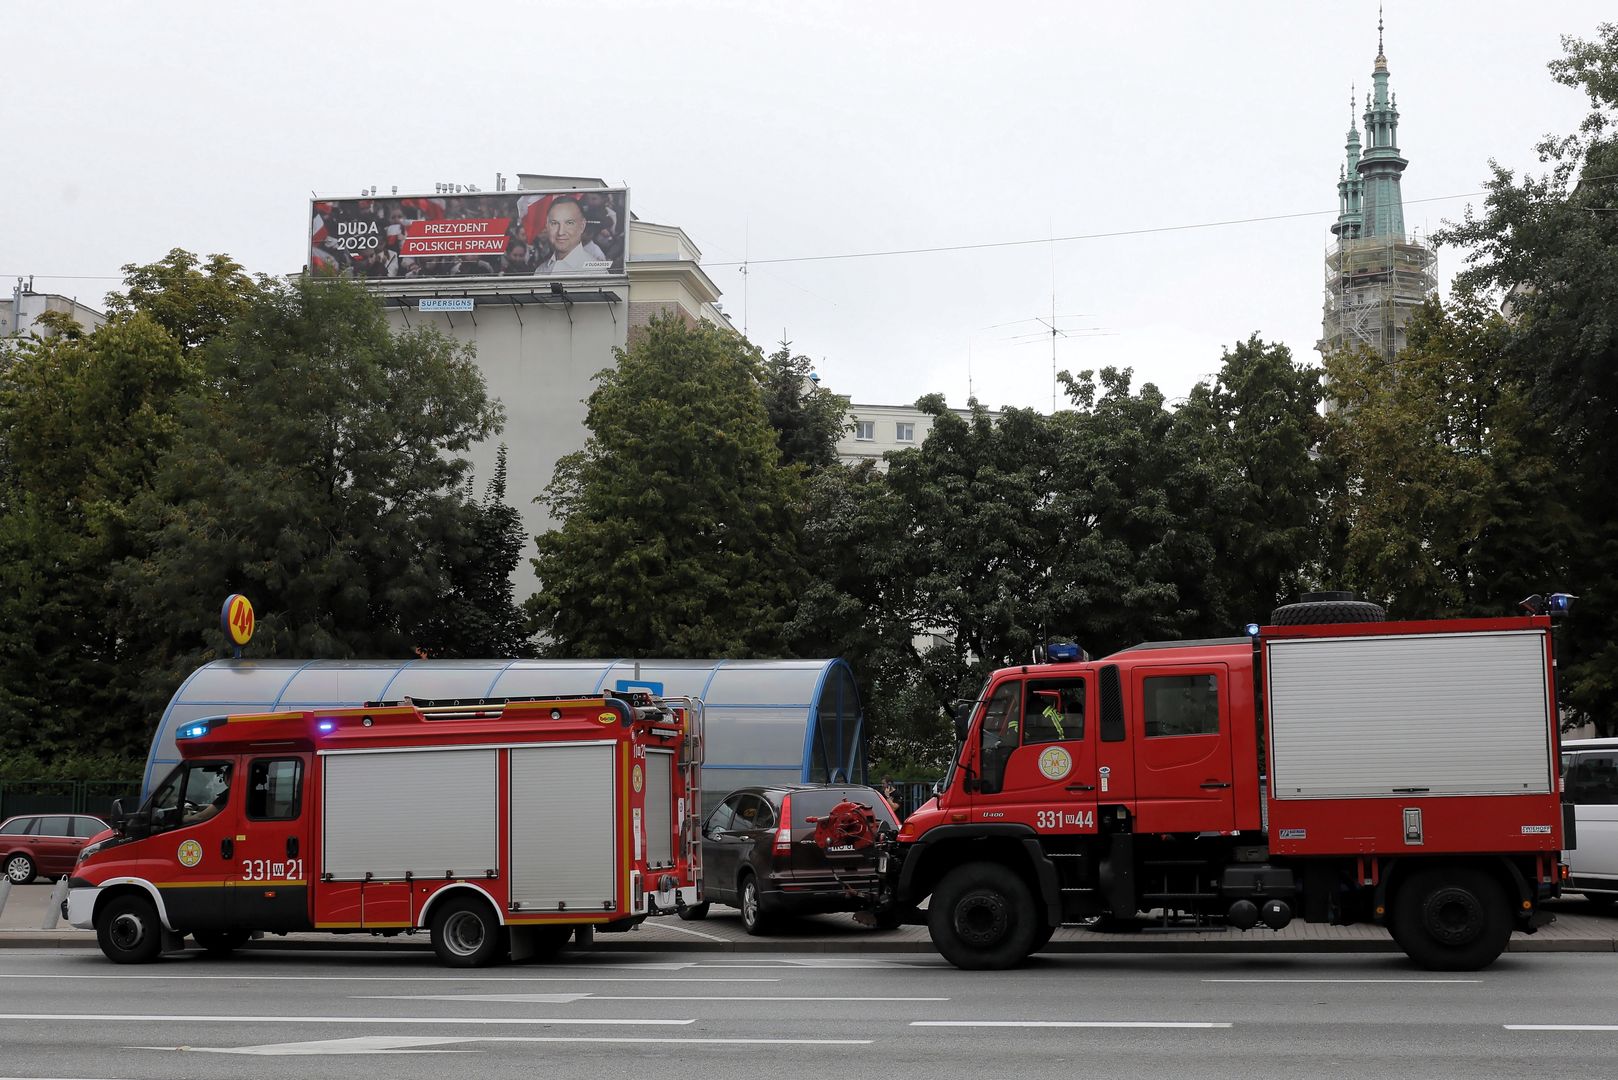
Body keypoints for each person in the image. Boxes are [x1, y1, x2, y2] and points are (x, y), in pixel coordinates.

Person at [537, 196, 608, 273]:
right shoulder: (540, 270)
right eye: (554, 223)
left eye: (569, 223)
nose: (560, 232)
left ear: (582, 226)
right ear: (547, 225)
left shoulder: (596, 272)